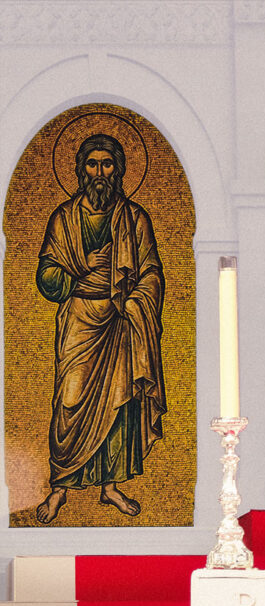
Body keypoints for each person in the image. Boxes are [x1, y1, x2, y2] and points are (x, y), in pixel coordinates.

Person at [34, 133, 166, 523]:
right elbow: (46, 275)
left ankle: (110, 487)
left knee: (119, 404)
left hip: (121, 320)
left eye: (107, 164)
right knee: (70, 400)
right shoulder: (63, 218)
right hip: (79, 318)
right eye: (92, 164)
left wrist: (134, 301)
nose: (100, 172)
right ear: (79, 169)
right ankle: (59, 486)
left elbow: (152, 273)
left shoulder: (135, 218)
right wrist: (80, 275)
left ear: (119, 170)